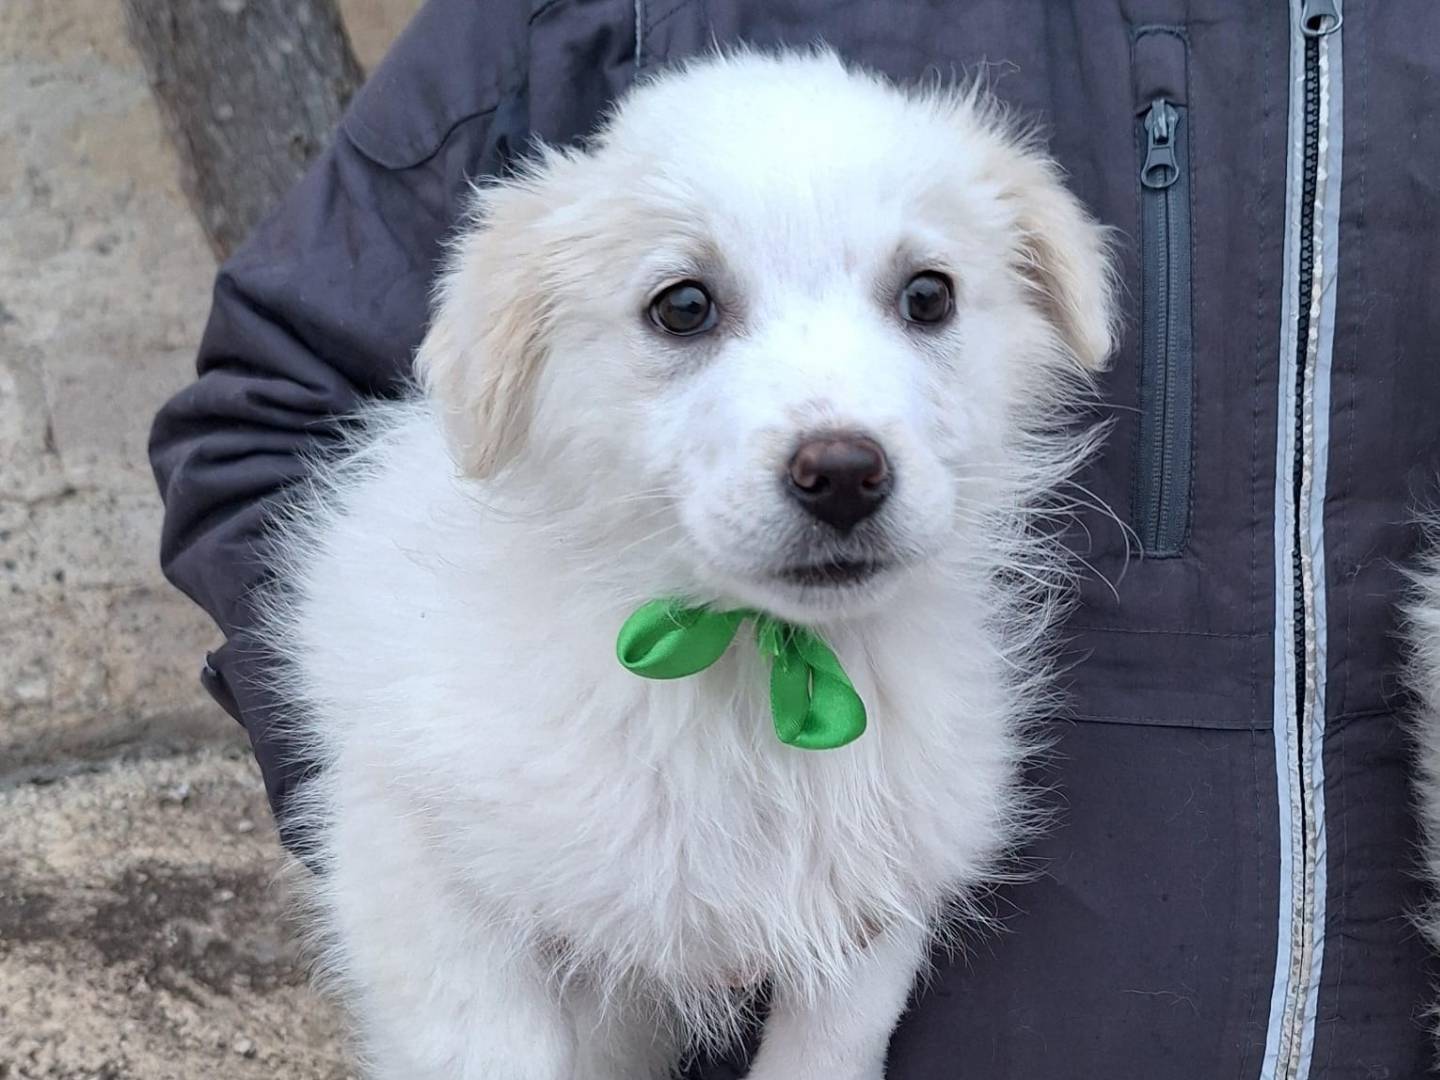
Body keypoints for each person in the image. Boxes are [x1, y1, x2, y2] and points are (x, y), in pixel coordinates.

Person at [148, 1, 1438, 1074]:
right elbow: (276, 454)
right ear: (519, 347)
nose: (836, 444)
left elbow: (898, 887)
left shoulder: (950, 723)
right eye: (685, 306)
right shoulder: (469, 689)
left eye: (922, 297)